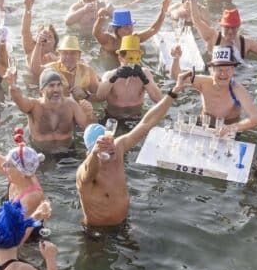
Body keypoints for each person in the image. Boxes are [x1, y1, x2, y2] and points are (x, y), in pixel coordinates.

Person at [79, 71, 193, 226]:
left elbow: (147, 122)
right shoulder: (86, 170)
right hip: (97, 233)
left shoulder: (117, 147)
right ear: (92, 151)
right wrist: (95, 153)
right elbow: (86, 173)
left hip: (124, 223)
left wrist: (174, 91)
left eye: (110, 142)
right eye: (103, 148)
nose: (110, 149)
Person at [170, 45, 257, 134]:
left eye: (227, 70)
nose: (223, 74)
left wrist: (232, 128)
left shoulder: (238, 90)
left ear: (233, 70)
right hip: (203, 125)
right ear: (211, 70)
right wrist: (175, 58)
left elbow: (256, 118)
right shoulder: (203, 82)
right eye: (220, 70)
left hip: (227, 130)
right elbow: (177, 77)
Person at [7, 66, 91, 150]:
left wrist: (88, 114)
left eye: (59, 85)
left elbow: (88, 128)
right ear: (41, 90)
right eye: (51, 85)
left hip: (68, 152)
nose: (56, 89)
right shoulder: (34, 106)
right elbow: (19, 100)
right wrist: (12, 85)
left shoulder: (71, 105)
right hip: (39, 152)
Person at [91, 35, 162, 122]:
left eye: (135, 58)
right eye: (129, 58)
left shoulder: (145, 73)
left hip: (136, 117)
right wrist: (115, 77)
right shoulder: (109, 75)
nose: (132, 62)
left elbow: (158, 99)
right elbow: (100, 97)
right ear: (120, 58)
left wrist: (144, 79)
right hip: (112, 117)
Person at [189, 6, 257, 62]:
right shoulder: (212, 37)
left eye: (234, 27)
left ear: (239, 26)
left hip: (238, 73)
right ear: (221, 25)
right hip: (216, 73)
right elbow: (196, 20)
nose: (230, 31)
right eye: (227, 27)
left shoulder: (246, 42)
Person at [93, 1, 169, 54]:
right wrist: (100, 18)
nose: (129, 29)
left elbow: (153, 30)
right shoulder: (109, 40)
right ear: (116, 29)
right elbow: (96, 33)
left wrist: (163, 12)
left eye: (130, 25)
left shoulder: (135, 38)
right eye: (125, 26)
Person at [43, 36, 100, 102]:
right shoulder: (50, 70)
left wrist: (85, 95)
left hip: (81, 108)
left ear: (79, 56)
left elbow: (99, 97)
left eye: (73, 53)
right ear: (59, 54)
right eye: (65, 53)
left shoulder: (88, 70)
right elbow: (43, 99)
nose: (68, 57)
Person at [21, 0, 59, 79]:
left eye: (50, 36)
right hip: (32, 87)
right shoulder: (31, 49)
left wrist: (57, 60)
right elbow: (25, 31)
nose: (46, 38)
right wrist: (28, 8)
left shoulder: (58, 55)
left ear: (55, 42)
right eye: (42, 35)